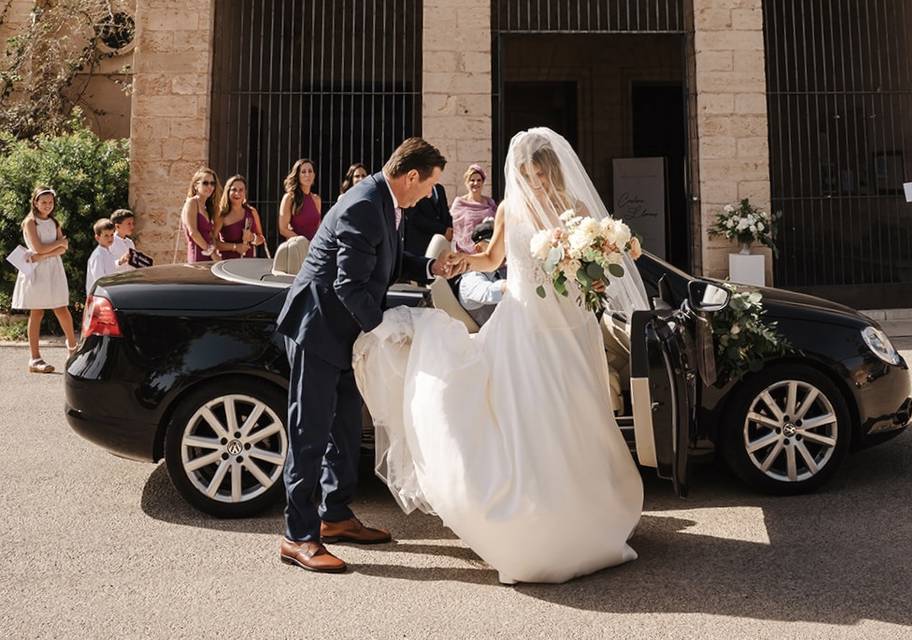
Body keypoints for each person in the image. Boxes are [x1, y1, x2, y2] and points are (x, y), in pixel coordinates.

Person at [353, 128, 649, 584]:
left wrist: (589, 273)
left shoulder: (580, 211)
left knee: (576, 417)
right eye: (526, 175)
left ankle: (589, 511)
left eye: (540, 174)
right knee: (529, 418)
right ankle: (537, 520)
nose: (534, 183)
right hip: (524, 325)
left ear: (552, 171)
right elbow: (492, 259)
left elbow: (598, 275)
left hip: (569, 327)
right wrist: (458, 262)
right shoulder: (510, 208)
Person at [274, 137, 454, 573]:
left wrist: (431, 267)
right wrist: (382, 327)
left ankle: (334, 517)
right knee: (308, 431)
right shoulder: (363, 203)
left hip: (344, 335)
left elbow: (386, 261)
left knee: (346, 427)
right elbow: (348, 285)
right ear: (411, 177)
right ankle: (298, 536)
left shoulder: (385, 201)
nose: (430, 194)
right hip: (318, 330)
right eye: (429, 185)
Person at [12, 186, 77, 373]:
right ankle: (35, 358)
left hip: (53, 269)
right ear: (35, 202)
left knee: (61, 308)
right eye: (44, 202)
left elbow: (62, 250)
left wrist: (45, 253)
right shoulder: (30, 222)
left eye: (50, 202)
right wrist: (56, 246)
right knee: (37, 312)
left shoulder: (54, 221)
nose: (48, 205)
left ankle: (72, 350)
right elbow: (40, 247)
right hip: (37, 271)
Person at [456, 218, 505, 326]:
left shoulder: (500, 270)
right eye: (494, 246)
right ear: (478, 249)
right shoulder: (469, 279)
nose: (502, 250)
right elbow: (488, 292)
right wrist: (512, 286)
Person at [450, 164, 497, 253]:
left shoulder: (490, 202)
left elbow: (497, 224)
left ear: (483, 182)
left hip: (487, 251)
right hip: (466, 252)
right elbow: (454, 227)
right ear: (467, 182)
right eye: (472, 180)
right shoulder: (459, 202)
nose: (476, 183)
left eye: (479, 180)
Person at [215, 175, 265, 259]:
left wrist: (252, 237)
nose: (237, 193)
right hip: (228, 263)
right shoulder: (222, 214)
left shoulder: (252, 211)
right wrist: (235, 247)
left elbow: (261, 238)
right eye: (234, 189)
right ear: (228, 191)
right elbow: (213, 242)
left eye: (241, 190)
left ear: (245, 192)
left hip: (248, 263)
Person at [180, 168, 222, 263]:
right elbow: (193, 232)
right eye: (205, 183)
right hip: (198, 257)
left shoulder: (207, 208)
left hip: (209, 257)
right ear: (196, 185)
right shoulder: (192, 203)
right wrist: (211, 253)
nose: (210, 186)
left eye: (212, 183)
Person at [403, 182, 453, 257]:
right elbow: (415, 217)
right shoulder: (414, 187)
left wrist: (450, 229)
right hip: (419, 244)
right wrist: (443, 230)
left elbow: (445, 212)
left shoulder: (439, 188)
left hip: (439, 245)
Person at [278, 158, 322, 241]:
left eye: (310, 171)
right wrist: (302, 242)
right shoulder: (289, 198)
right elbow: (283, 229)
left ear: (314, 175)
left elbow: (318, 227)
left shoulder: (317, 199)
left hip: (314, 249)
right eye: (303, 172)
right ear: (297, 175)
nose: (307, 174)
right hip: (297, 248)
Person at [86, 218, 117, 295]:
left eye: (112, 235)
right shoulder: (98, 255)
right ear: (97, 237)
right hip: (99, 296)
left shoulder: (108, 252)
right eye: (106, 235)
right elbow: (99, 279)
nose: (110, 238)